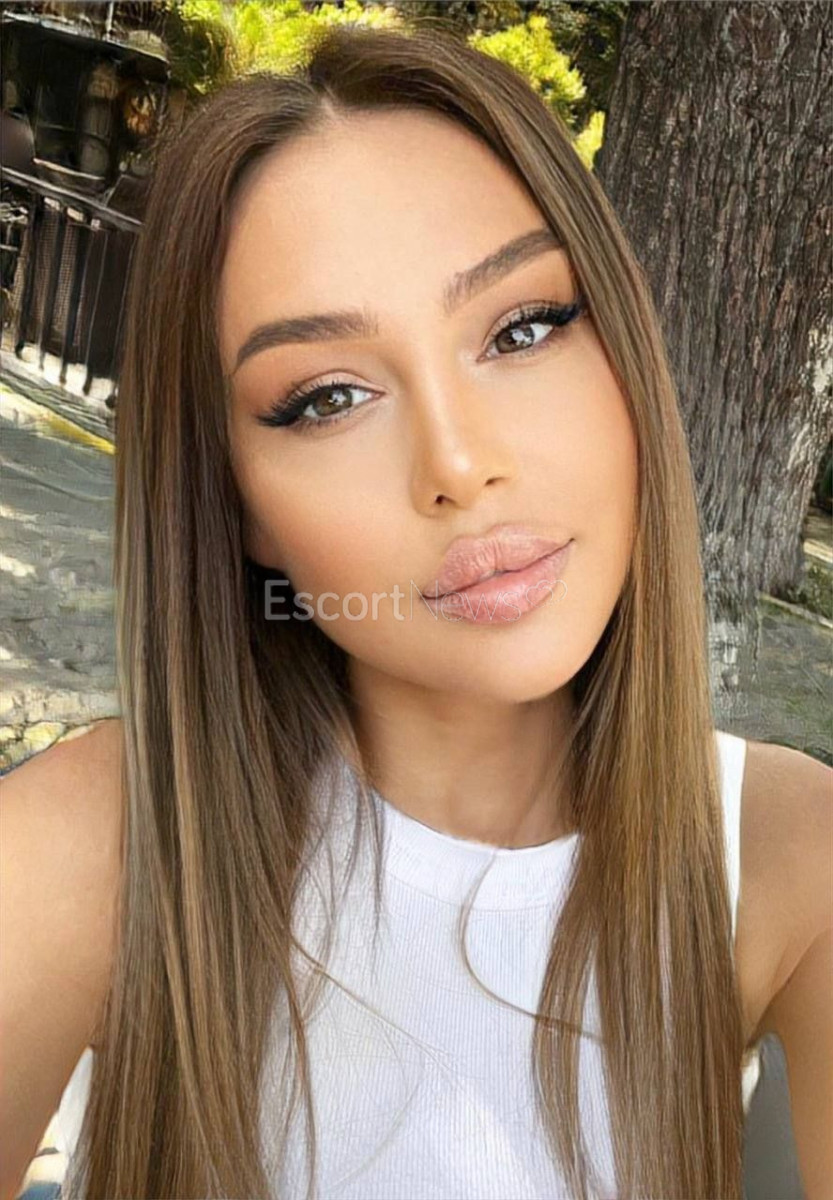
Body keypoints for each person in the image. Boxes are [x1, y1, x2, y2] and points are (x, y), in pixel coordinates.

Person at [1, 22, 830, 1200]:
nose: (457, 462)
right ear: (237, 505)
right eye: (326, 398)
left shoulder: (786, 854)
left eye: (522, 328)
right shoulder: (96, 844)